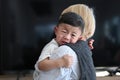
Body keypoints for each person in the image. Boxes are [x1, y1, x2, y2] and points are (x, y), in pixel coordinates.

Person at [33, 4, 96, 80]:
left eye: (73, 34)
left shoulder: (69, 47)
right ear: (56, 30)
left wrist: (86, 47)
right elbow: (41, 65)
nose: (67, 37)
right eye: (64, 31)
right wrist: (61, 62)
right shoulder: (52, 46)